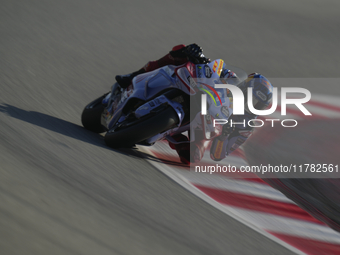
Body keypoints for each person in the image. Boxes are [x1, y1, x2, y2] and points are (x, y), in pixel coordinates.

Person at [115, 44, 273, 164]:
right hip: (201, 94)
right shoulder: (232, 78)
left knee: (192, 157)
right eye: (251, 98)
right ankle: (135, 75)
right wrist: (201, 59)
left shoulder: (245, 126)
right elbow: (215, 68)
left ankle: (169, 133)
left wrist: (225, 135)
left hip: (206, 126)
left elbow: (218, 154)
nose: (249, 104)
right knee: (183, 50)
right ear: (244, 87)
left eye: (256, 104)